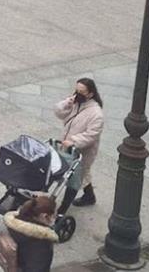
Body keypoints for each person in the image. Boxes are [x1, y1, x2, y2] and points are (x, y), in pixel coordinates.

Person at [54, 78, 104, 207]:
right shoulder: (75, 103)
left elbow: (91, 135)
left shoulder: (96, 114)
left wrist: (73, 141)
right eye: (76, 90)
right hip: (68, 147)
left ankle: (63, 207)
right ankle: (89, 196)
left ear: (90, 94)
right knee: (82, 173)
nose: (77, 94)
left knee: (75, 178)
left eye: (81, 92)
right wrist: (66, 104)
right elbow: (59, 113)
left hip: (83, 151)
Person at [2, 195, 57, 272]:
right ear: (44, 216)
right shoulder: (42, 242)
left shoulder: (15, 224)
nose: (54, 219)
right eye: (54, 216)